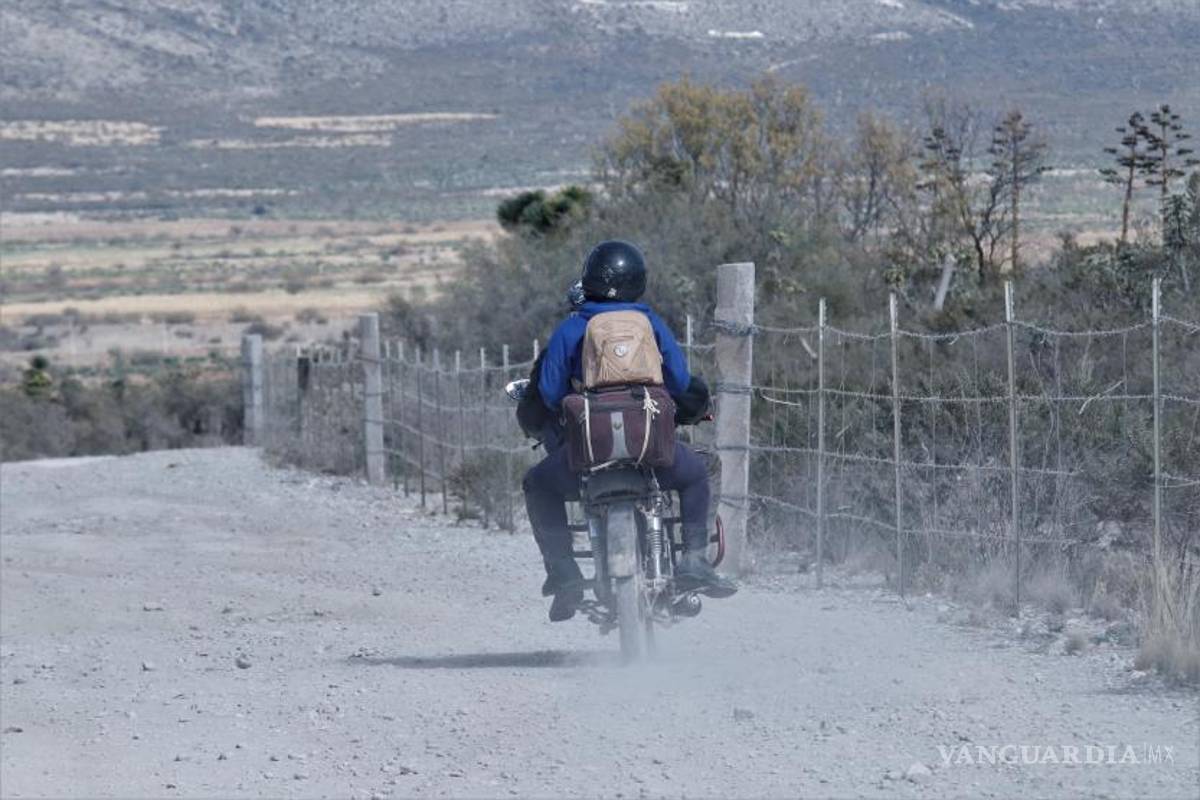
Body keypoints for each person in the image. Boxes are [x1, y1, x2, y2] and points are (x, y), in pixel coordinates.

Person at [521, 240, 737, 622]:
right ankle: (694, 558)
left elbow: (550, 392)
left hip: (589, 453)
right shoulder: (650, 323)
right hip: (650, 449)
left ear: (589, 278)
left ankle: (564, 572)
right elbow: (680, 381)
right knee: (697, 473)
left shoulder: (572, 328)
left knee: (537, 484)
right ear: (638, 281)